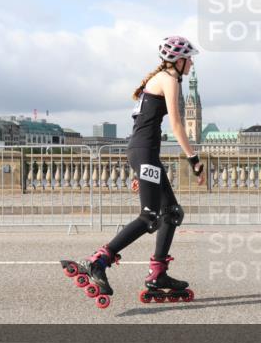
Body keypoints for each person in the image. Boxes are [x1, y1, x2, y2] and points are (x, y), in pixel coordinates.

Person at [62, 36, 205, 308]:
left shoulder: (159, 79)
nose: (192, 63)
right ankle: (98, 261)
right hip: (145, 154)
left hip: (144, 153)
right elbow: (177, 124)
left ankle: (158, 274)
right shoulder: (169, 80)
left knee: (171, 212)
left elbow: (142, 127)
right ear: (178, 60)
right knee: (149, 216)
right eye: (189, 58)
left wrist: (140, 168)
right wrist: (194, 160)